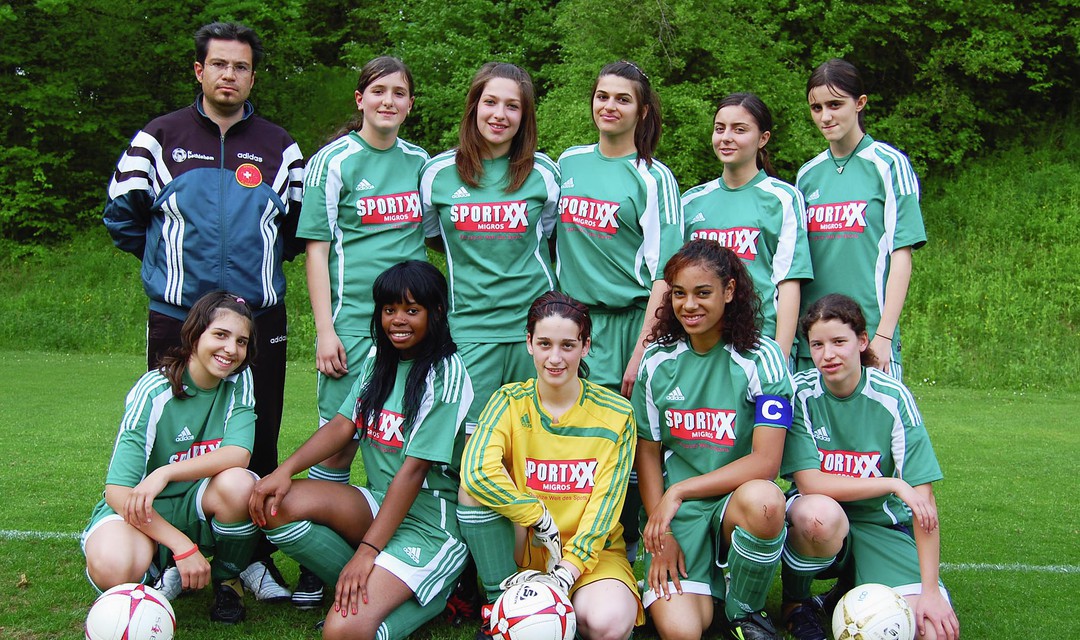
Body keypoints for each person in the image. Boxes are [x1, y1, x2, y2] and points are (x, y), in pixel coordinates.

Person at [102, 21, 302, 601]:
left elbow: (291, 229)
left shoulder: (277, 145)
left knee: (256, 441)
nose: (229, 75)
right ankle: (167, 554)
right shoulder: (159, 137)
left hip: (259, 319)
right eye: (219, 64)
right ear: (199, 70)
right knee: (169, 433)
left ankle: (250, 559)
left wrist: (252, 276)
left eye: (241, 67)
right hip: (178, 315)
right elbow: (122, 214)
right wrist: (169, 266)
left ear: (252, 76)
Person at [249, 261, 473, 640]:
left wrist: (367, 551)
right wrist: (283, 471)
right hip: (380, 503)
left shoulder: (446, 372)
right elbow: (342, 425)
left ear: (436, 313)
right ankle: (363, 579)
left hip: (430, 525)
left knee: (342, 632)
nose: (397, 320)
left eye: (411, 310)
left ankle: (437, 591)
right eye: (389, 310)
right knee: (275, 505)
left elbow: (413, 471)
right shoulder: (379, 360)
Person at [294, 56, 429, 609]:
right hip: (355, 324)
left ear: (410, 104)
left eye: (399, 92)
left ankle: (392, 548)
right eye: (379, 91)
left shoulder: (422, 162)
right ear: (360, 99)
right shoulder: (334, 161)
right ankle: (315, 560)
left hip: (413, 322)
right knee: (340, 444)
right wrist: (326, 330)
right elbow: (317, 250)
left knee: (401, 435)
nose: (389, 101)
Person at [633, 239, 795, 640]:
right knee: (683, 632)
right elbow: (648, 454)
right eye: (679, 294)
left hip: (734, 501)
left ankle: (745, 611)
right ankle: (709, 594)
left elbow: (766, 463)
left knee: (767, 502)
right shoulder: (656, 362)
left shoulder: (763, 358)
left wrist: (681, 490)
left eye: (703, 293)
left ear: (729, 291)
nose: (689, 305)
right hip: (679, 516)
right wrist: (662, 535)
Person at [555, 60, 684, 561]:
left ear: (642, 111)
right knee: (569, 437)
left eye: (622, 99)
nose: (609, 106)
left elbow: (665, 274)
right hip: (570, 321)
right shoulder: (567, 163)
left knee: (625, 445)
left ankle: (628, 548)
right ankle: (566, 541)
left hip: (629, 321)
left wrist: (640, 350)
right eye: (602, 96)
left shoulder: (654, 177)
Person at [460, 292, 642, 640]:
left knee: (607, 624)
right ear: (529, 343)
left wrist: (566, 573)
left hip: (590, 556)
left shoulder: (617, 414)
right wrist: (536, 515)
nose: (555, 358)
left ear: (585, 346)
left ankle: (556, 608)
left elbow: (605, 507)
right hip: (526, 546)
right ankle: (503, 602)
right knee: (470, 491)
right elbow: (476, 471)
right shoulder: (508, 400)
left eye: (568, 345)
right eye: (544, 343)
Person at [777, 293, 959, 640]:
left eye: (838, 342)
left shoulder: (893, 397)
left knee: (931, 631)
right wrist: (892, 484)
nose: (827, 354)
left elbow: (923, 502)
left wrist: (931, 592)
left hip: (880, 525)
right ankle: (797, 604)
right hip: (819, 521)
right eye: (817, 344)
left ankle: (844, 590)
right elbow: (811, 483)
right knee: (818, 515)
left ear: (862, 341)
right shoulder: (798, 394)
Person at [81, 291, 261, 624]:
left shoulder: (239, 381)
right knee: (113, 565)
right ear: (195, 334)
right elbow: (118, 492)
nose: (231, 350)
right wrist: (181, 545)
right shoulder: (154, 390)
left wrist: (166, 471)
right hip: (140, 508)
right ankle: (160, 574)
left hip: (195, 502)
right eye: (220, 335)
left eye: (241, 341)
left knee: (240, 484)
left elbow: (239, 453)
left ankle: (226, 580)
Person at [419, 61, 559, 437]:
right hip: (470, 325)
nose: (500, 115)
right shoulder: (437, 174)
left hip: (537, 326)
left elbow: (549, 235)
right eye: (490, 102)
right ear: (474, 107)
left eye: (512, 106)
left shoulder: (544, 172)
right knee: (470, 439)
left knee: (535, 437)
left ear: (524, 116)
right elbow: (436, 237)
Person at [796, 58, 926, 380]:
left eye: (835, 104)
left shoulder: (889, 164)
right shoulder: (806, 176)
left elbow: (901, 254)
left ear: (860, 103)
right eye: (816, 107)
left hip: (869, 340)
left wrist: (883, 335)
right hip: (812, 344)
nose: (825, 116)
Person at [682, 92, 813, 362]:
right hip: (700, 347)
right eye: (720, 129)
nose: (727, 137)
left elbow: (789, 283)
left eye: (739, 130)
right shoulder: (690, 202)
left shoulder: (783, 198)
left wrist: (779, 356)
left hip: (758, 346)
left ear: (763, 138)